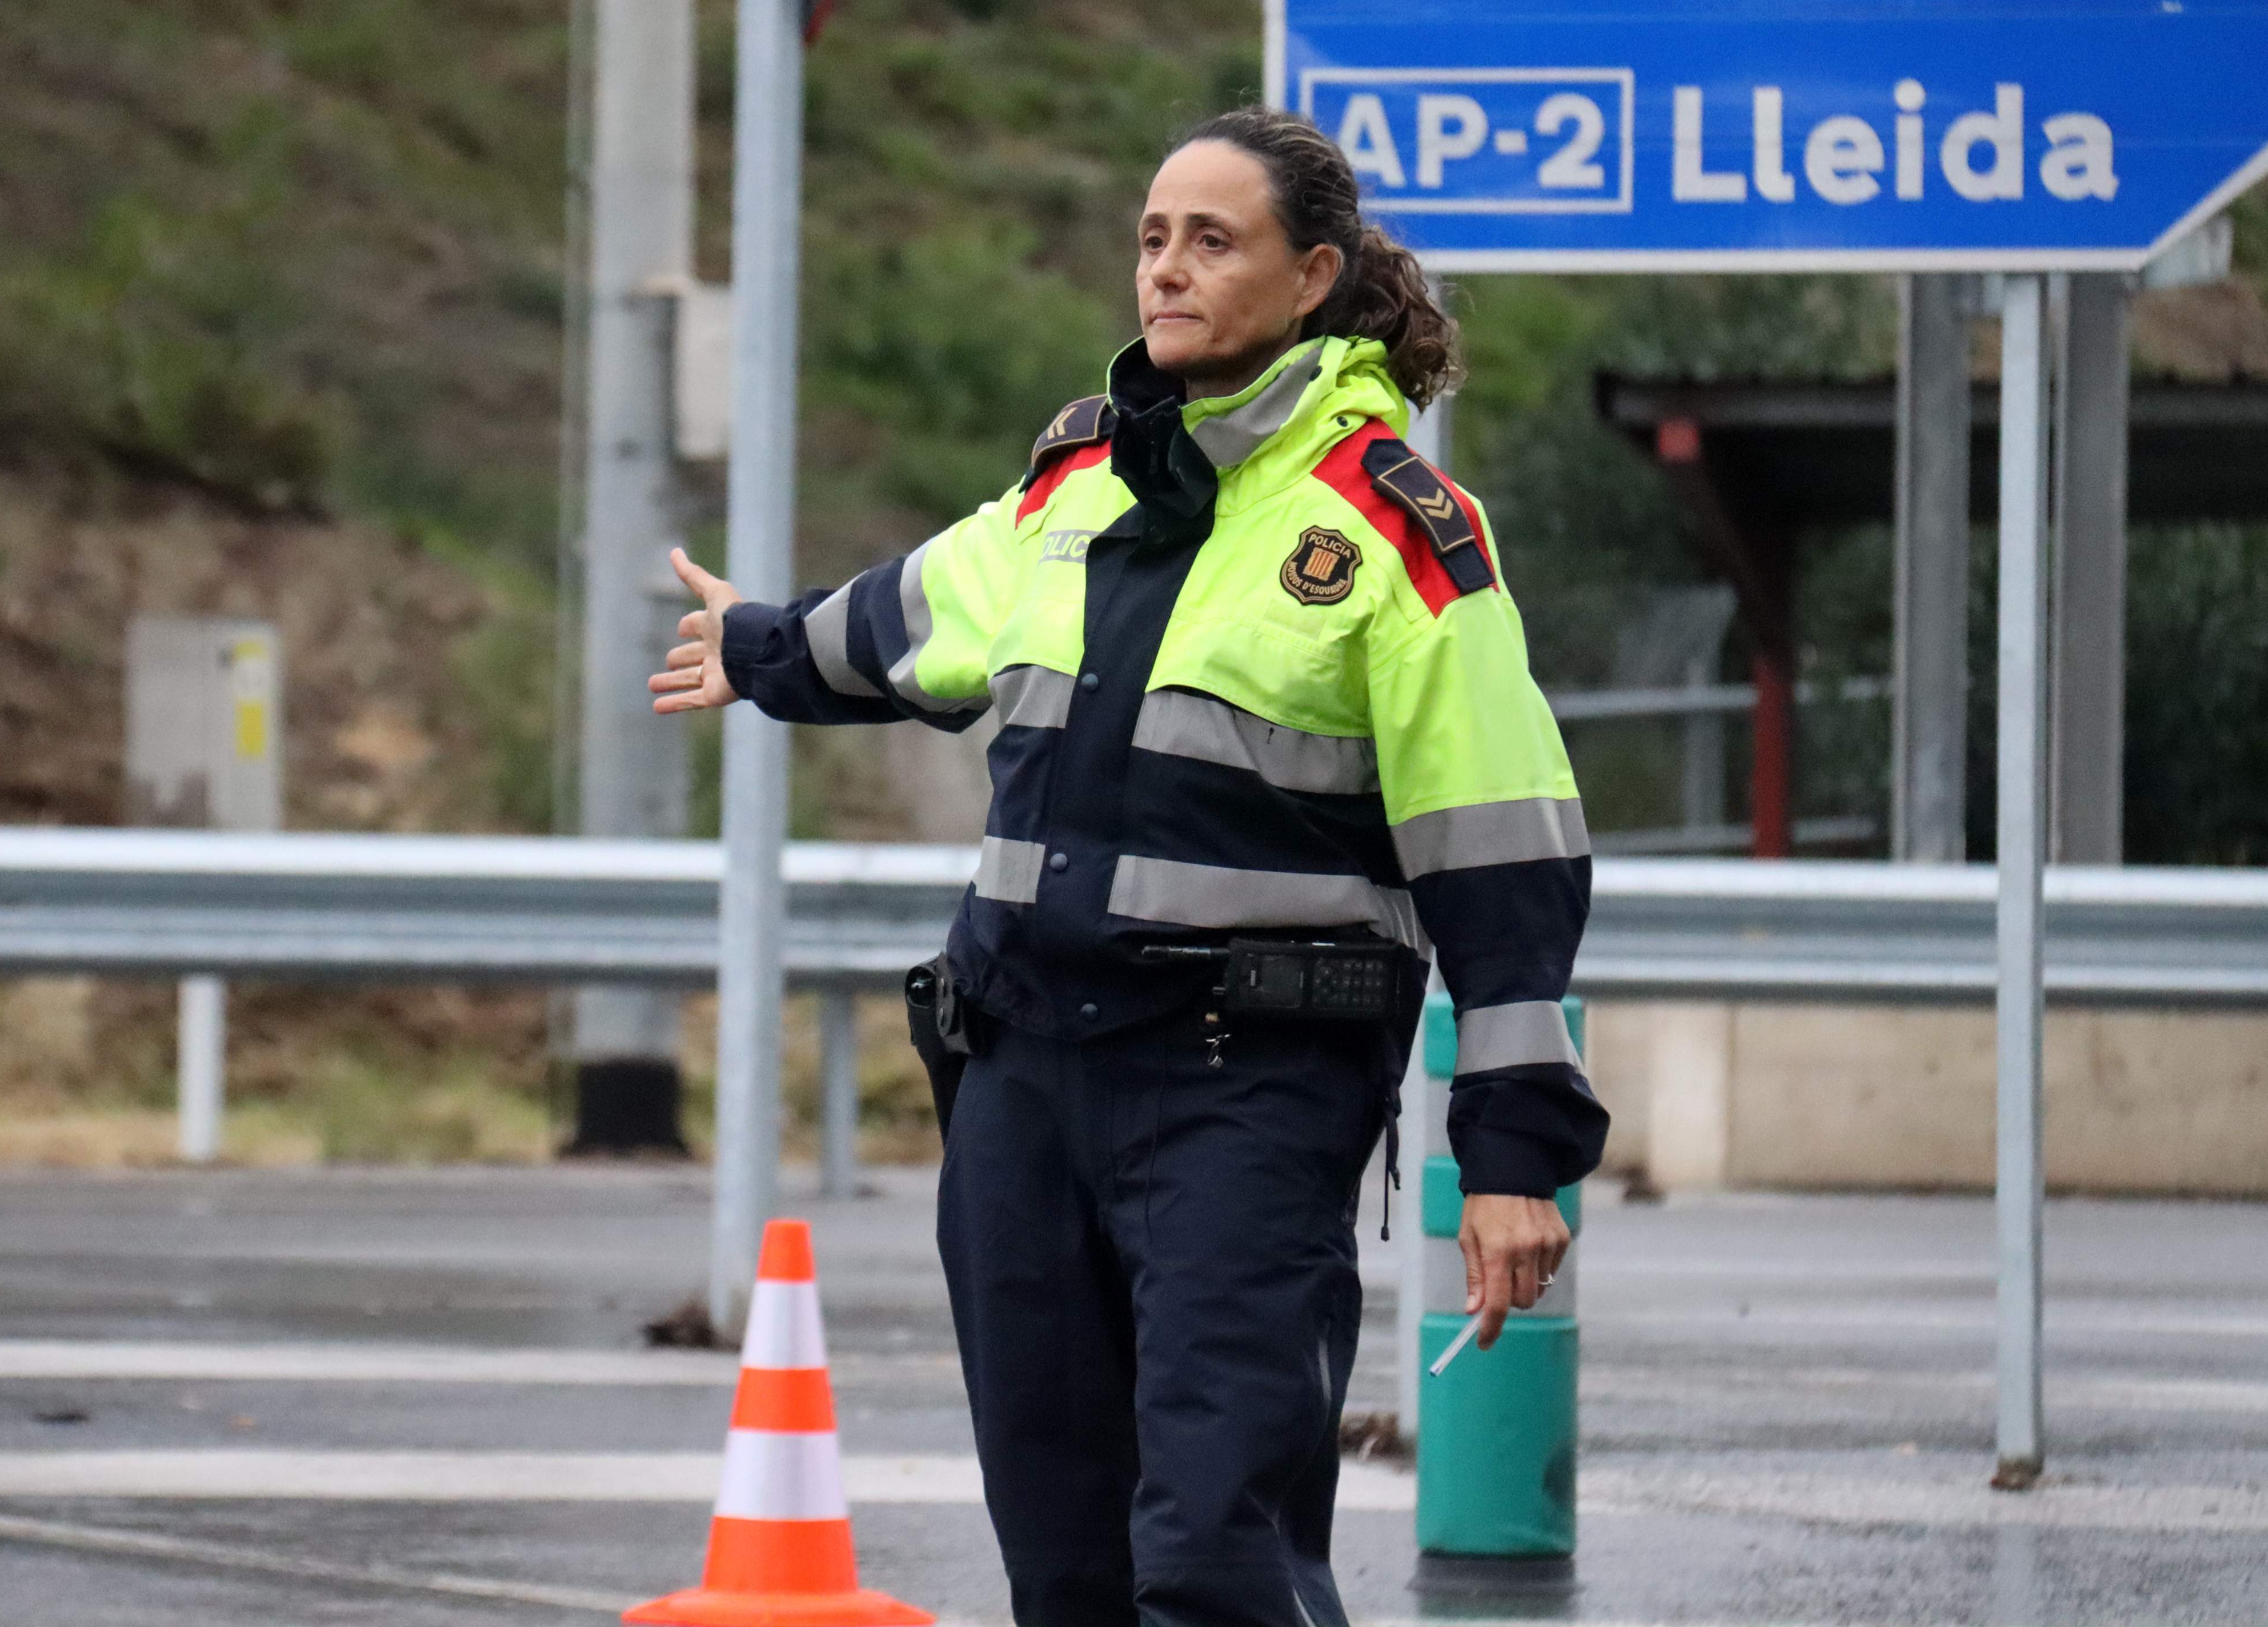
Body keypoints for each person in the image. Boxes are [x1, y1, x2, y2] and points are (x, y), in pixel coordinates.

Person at [648, 105, 1607, 1627]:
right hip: (1023, 1086)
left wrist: (1509, 1159)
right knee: (1069, 1566)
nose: (1165, 268)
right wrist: (761, 645)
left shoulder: (1394, 532)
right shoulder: (1077, 487)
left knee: (1215, 1559)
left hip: (1245, 1098)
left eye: (1210, 239)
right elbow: (908, 619)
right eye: (1153, 238)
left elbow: (1506, 858)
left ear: (1313, 278)